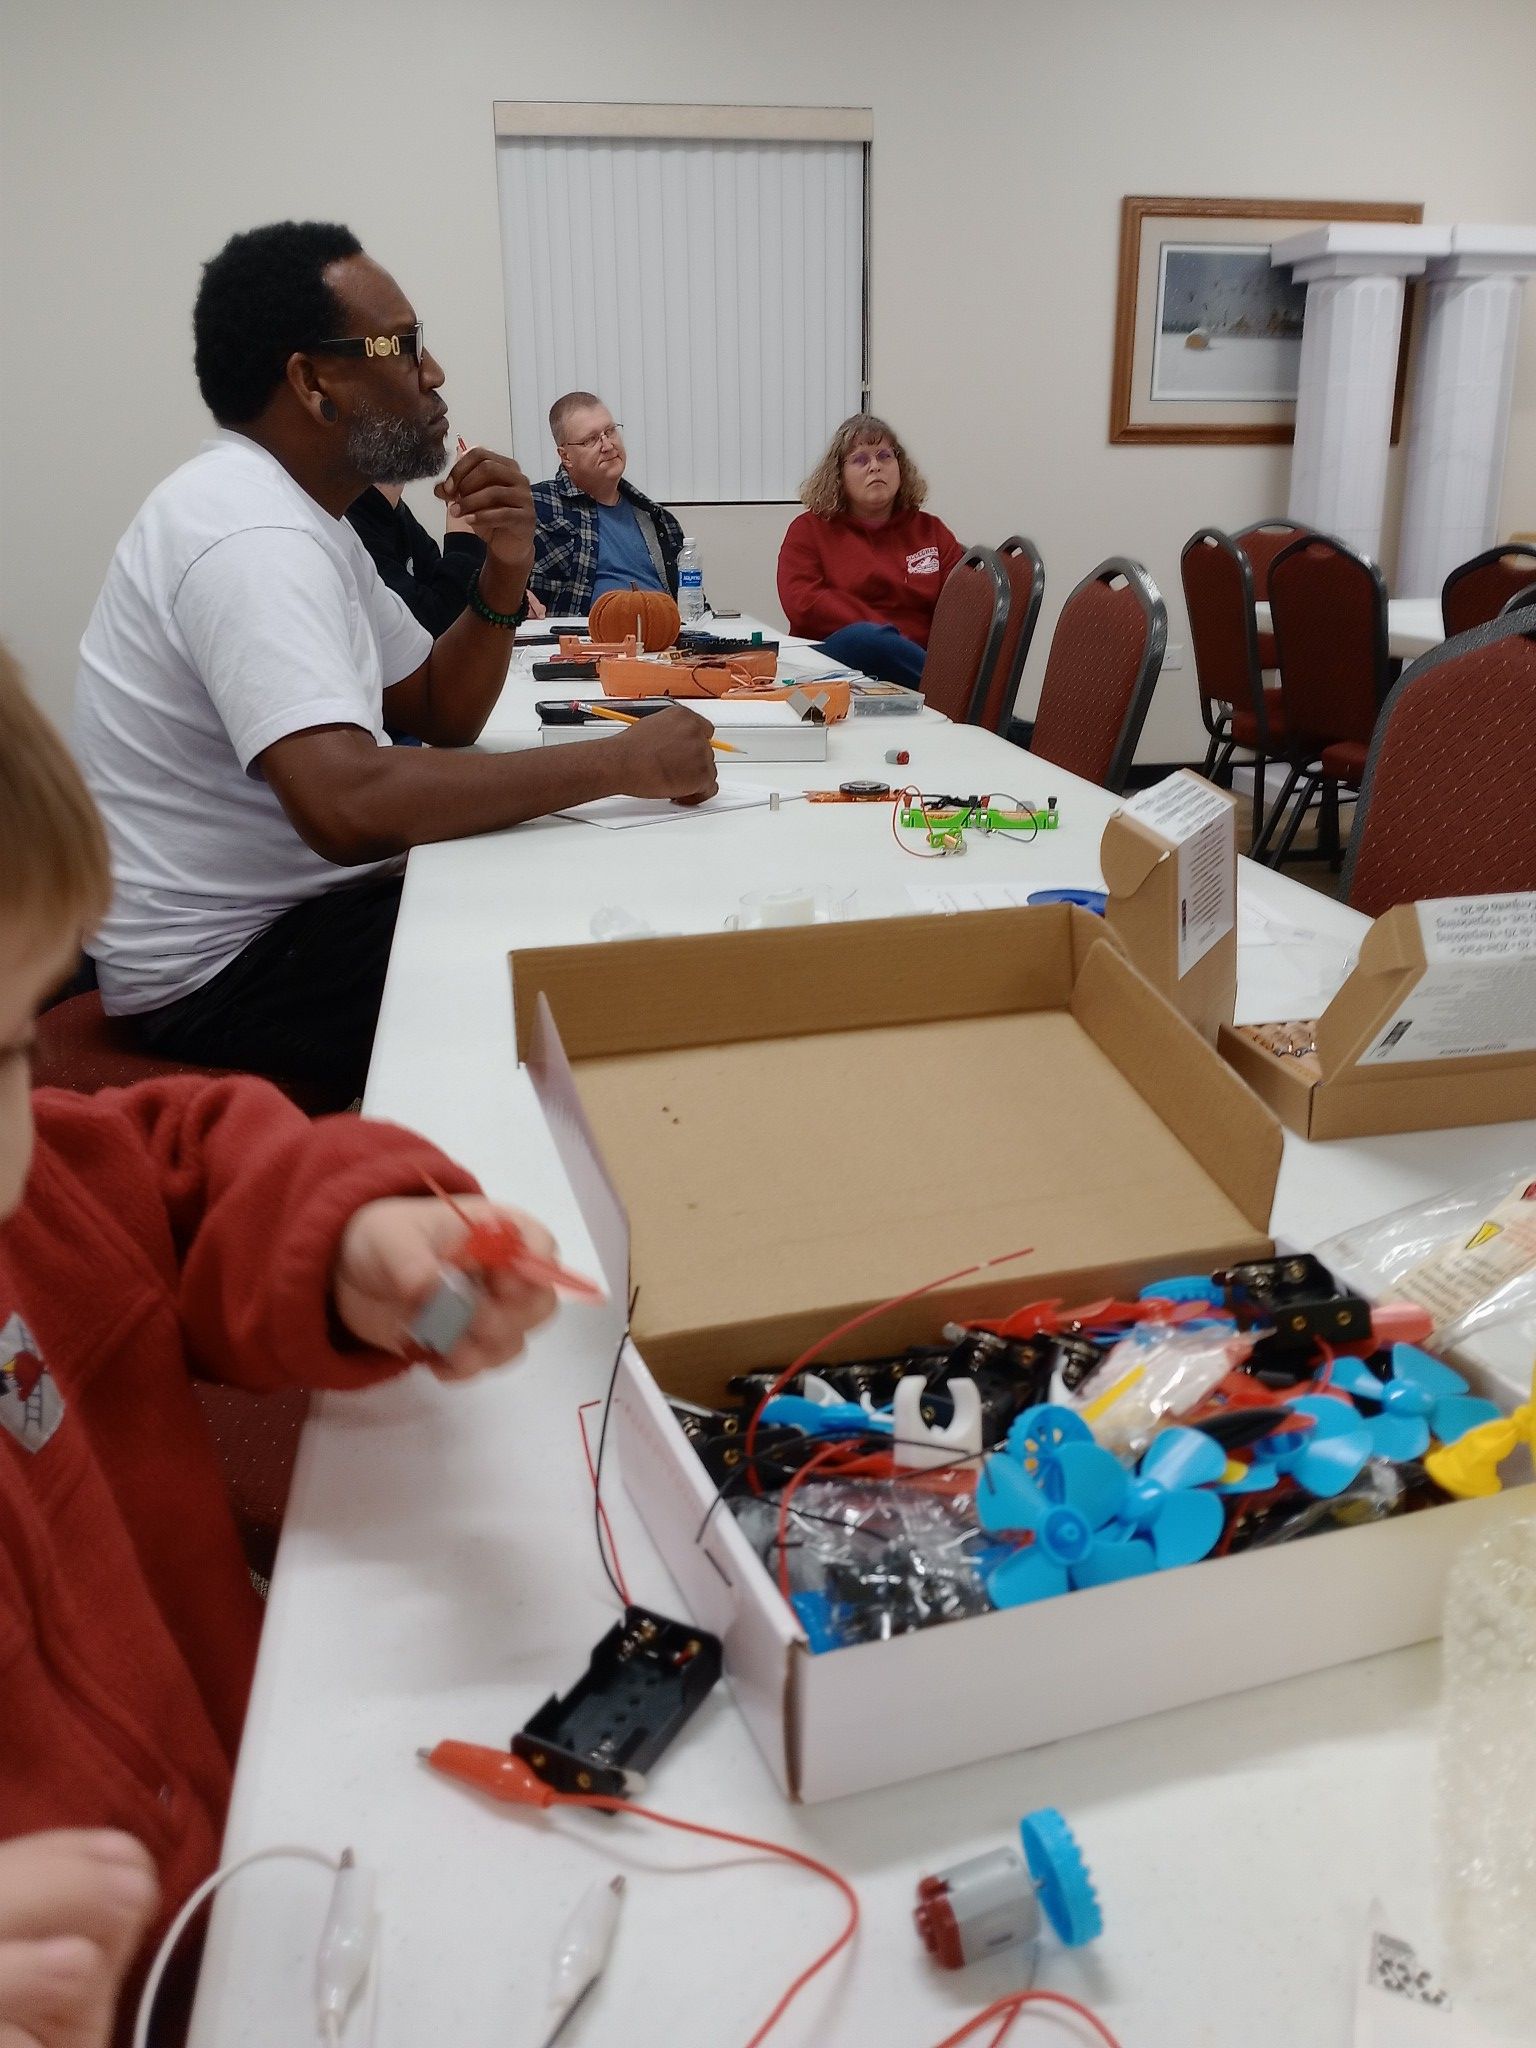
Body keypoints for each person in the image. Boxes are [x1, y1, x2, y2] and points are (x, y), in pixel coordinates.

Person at [0, 640, 562, 2039]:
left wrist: (346, 1229)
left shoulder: (31, 1202)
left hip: (268, 1857)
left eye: (7, 1045)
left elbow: (166, 1160)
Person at [74, 224, 715, 1109]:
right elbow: (348, 803)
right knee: (612, 960)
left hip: (294, 921)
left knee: (584, 888)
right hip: (228, 970)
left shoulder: (310, 522)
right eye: (404, 345)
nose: (435, 373)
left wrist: (505, 567)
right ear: (312, 382)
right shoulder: (246, 532)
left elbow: (440, 708)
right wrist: (617, 763)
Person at [776, 414, 966, 686]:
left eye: (885, 456)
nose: (875, 466)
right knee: (865, 639)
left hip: (915, 661)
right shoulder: (807, 530)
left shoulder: (932, 531)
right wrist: (885, 632)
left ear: (900, 466)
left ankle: (969, 702)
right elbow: (804, 604)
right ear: (838, 475)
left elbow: (962, 606)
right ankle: (961, 700)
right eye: (860, 459)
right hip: (834, 663)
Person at [529, 394, 683, 617]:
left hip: (661, 642)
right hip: (581, 643)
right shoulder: (535, 506)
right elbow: (487, 573)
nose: (608, 445)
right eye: (591, 440)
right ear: (566, 457)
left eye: (610, 431)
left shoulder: (659, 520)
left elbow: (693, 604)